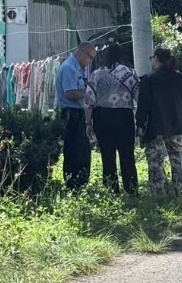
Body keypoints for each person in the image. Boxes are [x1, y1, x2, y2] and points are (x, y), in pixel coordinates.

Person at [85, 43, 139, 193]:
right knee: (127, 153)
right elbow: (138, 96)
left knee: (107, 154)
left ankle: (111, 187)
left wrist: (88, 123)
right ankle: (131, 188)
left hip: (102, 116)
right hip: (124, 116)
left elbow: (88, 101)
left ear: (104, 56)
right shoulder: (129, 73)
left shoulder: (96, 74)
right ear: (120, 56)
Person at [136, 48, 182, 194]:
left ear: (157, 59)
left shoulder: (148, 80)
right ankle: (180, 189)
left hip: (155, 126)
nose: (151, 60)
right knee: (177, 159)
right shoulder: (180, 77)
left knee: (155, 161)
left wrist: (140, 125)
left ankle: (158, 191)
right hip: (177, 124)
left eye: (152, 57)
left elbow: (144, 105)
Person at [56, 41, 97, 190]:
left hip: (79, 114)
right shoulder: (69, 68)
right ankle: (72, 184)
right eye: (90, 57)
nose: (89, 62)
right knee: (74, 150)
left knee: (84, 151)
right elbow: (70, 92)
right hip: (71, 114)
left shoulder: (77, 69)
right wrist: (89, 93)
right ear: (82, 51)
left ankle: (81, 182)